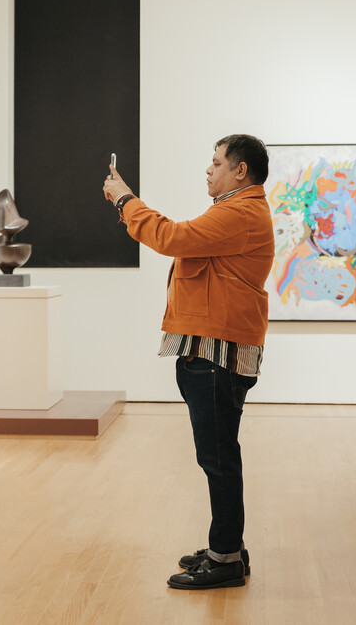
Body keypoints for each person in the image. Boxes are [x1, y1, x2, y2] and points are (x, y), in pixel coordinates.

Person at [102, 134, 275, 590]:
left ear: (240, 170)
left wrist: (125, 201)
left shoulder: (240, 212)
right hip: (211, 348)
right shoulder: (238, 209)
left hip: (216, 353)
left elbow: (172, 237)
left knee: (218, 458)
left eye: (216, 162)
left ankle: (225, 559)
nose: (208, 169)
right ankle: (228, 547)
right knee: (219, 455)